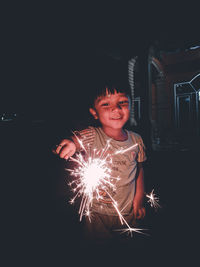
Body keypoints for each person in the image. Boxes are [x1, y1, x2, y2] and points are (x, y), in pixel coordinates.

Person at [54, 82, 147, 245]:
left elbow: (139, 170)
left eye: (123, 102)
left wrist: (139, 198)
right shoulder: (93, 135)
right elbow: (77, 140)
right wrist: (70, 144)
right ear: (94, 113)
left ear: (131, 105)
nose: (116, 109)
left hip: (127, 213)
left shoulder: (136, 140)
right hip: (96, 214)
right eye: (106, 104)